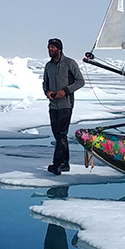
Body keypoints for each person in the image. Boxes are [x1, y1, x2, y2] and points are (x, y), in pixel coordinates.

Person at [42, 37, 84, 175]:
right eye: (49, 47)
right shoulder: (48, 66)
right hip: (53, 105)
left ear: (59, 49)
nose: (50, 50)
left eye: (52, 48)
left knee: (61, 134)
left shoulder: (69, 63)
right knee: (58, 135)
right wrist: (47, 92)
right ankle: (65, 164)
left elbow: (80, 81)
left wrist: (64, 91)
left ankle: (57, 164)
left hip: (66, 105)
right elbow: (45, 83)